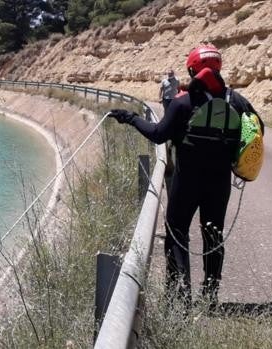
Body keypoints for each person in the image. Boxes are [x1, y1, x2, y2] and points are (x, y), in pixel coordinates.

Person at [107, 44, 263, 306]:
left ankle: (179, 294)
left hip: (187, 181)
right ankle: (210, 295)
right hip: (219, 183)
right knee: (213, 235)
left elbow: (158, 134)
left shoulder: (183, 102)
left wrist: (130, 118)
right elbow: (257, 131)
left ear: (191, 69)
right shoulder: (236, 101)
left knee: (177, 232)